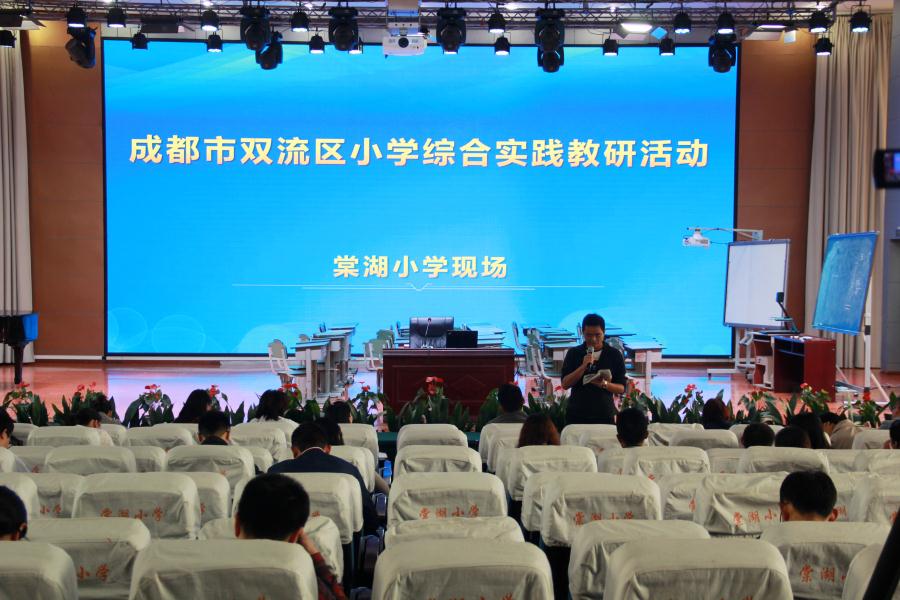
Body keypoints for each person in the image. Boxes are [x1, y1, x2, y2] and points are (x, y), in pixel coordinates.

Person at [235, 474, 345, 600]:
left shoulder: (215, 565)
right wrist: (315, 555)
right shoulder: (305, 583)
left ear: (237, 525)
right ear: (295, 537)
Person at [269, 422, 377, 535]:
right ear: (328, 449)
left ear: (294, 450)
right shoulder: (348, 470)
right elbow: (369, 516)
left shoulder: (275, 473)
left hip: (283, 540)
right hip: (344, 544)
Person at [561, 314, 627, 426]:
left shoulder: (614, 354)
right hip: (577, 414)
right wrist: (583, 366)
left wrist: (604, 384)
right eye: (589, 335)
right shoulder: (574, 353)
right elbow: (565, 384)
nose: (593, 339)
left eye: (597, 335)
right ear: (583, 333)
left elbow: (621, 388)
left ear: (604, 332)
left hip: (604, 414)